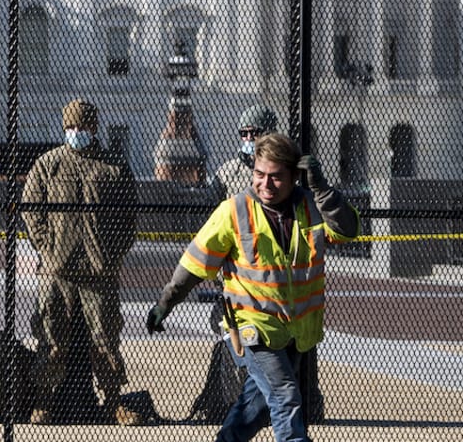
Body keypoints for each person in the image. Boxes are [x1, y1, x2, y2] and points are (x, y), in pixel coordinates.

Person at [146, 132, 358, 442]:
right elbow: (194, 263)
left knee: (256, 408)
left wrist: (323, 190)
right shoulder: (234, 211)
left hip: (294, 329)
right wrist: (165, 303)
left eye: (275, 177)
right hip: (251, 326)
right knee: (285, 395)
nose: (265, 184)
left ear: (294, 177)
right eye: (259, 174)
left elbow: (347, 230)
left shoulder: (311, 206)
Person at [20, 99, 146, 425]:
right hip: (57, 269)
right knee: (50, 335)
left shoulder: (113, 167)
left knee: (105, 338)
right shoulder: (48, 165)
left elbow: (128, 218)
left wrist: (112, 255)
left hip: (98, 270)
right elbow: (31, 210)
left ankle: (113, 401)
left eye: (83, 127)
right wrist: (47, 247)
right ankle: (43, 401)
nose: (77, 132)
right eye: (71, 127)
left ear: (94, 127)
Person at [216, 106, 281, 199]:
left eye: (255, 132)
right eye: (244, 133)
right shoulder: (229, 169)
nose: (249, 137)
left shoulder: (281, 167)